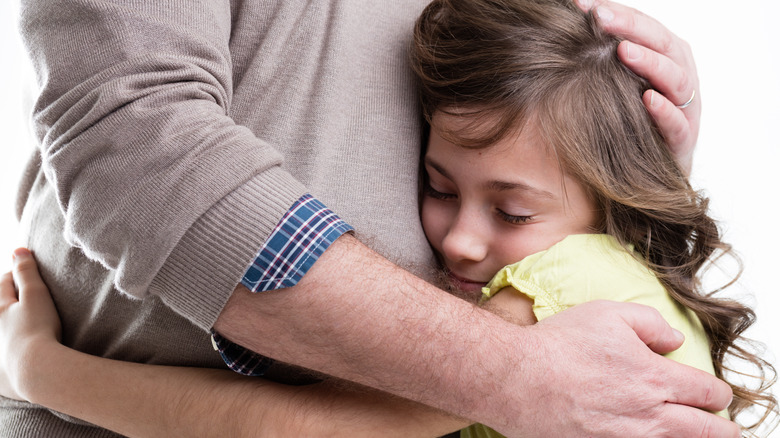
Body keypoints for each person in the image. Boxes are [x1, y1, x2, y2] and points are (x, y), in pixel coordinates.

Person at [3, 2, 776, 437]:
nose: (462, 241)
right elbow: (135, 139)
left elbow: (288, 433)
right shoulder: (569, 280)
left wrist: (42, 370)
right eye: (435, 186)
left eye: (509, 210)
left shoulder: (567, 286)